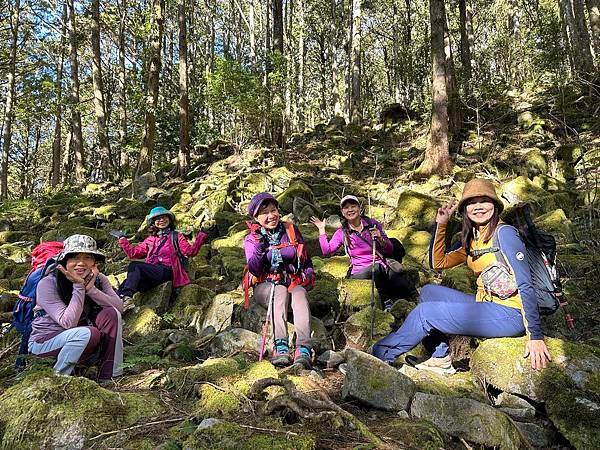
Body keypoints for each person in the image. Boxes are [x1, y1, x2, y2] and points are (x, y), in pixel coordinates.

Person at [372, 179, 552, 374]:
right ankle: (440, 357)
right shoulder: (475, 238)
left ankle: (380, 357)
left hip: (510, 314)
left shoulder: (505, 234)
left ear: (495, 205)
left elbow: (525, 284)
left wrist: (535, 336)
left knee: (426, 313)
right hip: (486, 304)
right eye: (472, 203)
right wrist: (441, 224)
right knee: (429, 292)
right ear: (465, 209)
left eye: (485, 201)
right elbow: (437, 264)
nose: (478, 207)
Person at [28, 234, 124, 382]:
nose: (81, 263)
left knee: (111, 314)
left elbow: (119, 307)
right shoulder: (48, 283)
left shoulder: (99, 279)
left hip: (80, 341)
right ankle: (59, 379)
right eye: (74, 258)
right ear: (65, 261)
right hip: (45, 343)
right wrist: (79, 287)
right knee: (87, 334)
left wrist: (92, 290)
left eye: (87, 258)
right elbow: (68, 322)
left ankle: (110, 375)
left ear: (94, 262)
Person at [244, 192, 315, 368]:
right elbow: (254, 268)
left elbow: (304, 257)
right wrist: (260, 247)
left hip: (291, 280)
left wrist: (309, 274)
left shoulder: (290, 230)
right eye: (265, 212)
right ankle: (280, 345)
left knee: (300, 293)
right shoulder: (252, 238)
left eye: (273, 210)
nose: (271, 216)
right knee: (280, 291)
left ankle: (303, 347)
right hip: (265, 284)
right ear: (256, 217)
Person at [311, 195, 415, 312]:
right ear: (342, 212)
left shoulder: (372, 224)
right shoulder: (342, 233)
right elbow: (327, 251)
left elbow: (389, 250)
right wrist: (321, 229)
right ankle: (386, 302)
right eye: (346, 207)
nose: (350, 210)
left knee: (398, 281)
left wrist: (381, 239)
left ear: (359, 208)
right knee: (375, 269)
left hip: (382, 266)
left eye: (353, 206)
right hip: (360, 272)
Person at [116, 206, 207, 310]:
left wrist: (202, 234)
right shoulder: (150, 239)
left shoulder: (177, 236)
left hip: (168, 271)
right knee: (126, 283)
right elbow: (133, 254)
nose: (162, 220)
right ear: (153, 222)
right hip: (153, 274)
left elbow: (190, 252)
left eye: (164, 217)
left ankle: (127, 298)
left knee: (135, 266)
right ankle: (116, 304)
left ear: (170, 219)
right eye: (158, 218)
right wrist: (123, 240)